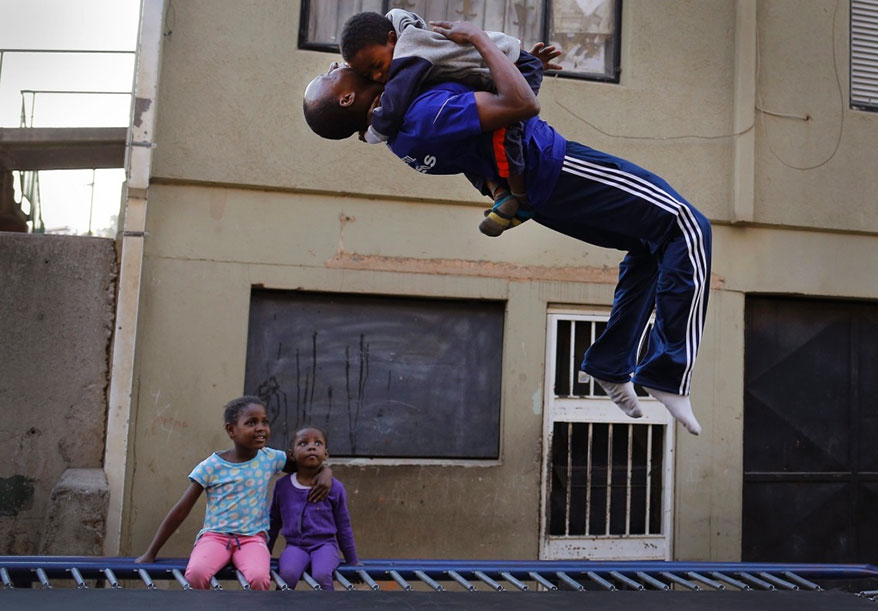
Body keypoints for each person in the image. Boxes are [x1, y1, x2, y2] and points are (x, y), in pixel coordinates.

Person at [302, 20, 711, 436]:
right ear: (347, 95)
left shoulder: (403, 122)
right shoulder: (422, 115)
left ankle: (611, 360)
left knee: (651, 246)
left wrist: (511, 62)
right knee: (686, 225)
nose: (336, 64)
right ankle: (668, 372)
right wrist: (479, 39)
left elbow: (489, 114)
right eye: (330, 74)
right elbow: (520, 105)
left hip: (542, 191)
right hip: (557, 166)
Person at [340, 9, 561, 236]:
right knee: (464, 144)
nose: (378, 76)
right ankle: (501, 196)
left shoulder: (410, 48)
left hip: (518, 66)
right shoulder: (404, 55)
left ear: (392, 38)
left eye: (377, 65)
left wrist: (372, 131)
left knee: (506, 132)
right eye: (369, 76)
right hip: (496, 74)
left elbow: (393, 106)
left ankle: (521, 200)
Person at [134, 396, 333, 589]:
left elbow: (305, 463)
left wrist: (326, 471)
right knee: (196, 574)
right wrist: (151, 552)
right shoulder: (211, 467)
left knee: (258, 578)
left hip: (252, 539)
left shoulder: (270, 458)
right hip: (215, 537)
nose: (261, 428)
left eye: (265, 422)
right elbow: (181, 510)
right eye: (251, 422)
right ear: (231, 430)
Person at [267, 426, 358, 590]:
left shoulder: (335, 488)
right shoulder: (283, 486)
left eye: (318, 443)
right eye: (303, 443)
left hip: (325, 546)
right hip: (295, 546)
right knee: (287, 574)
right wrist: (265, 553)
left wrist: (353, 561)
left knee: (321, 575)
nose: (311, 446)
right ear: (292, 455)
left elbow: (343, 526)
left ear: (326, 454)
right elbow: (273, 522)